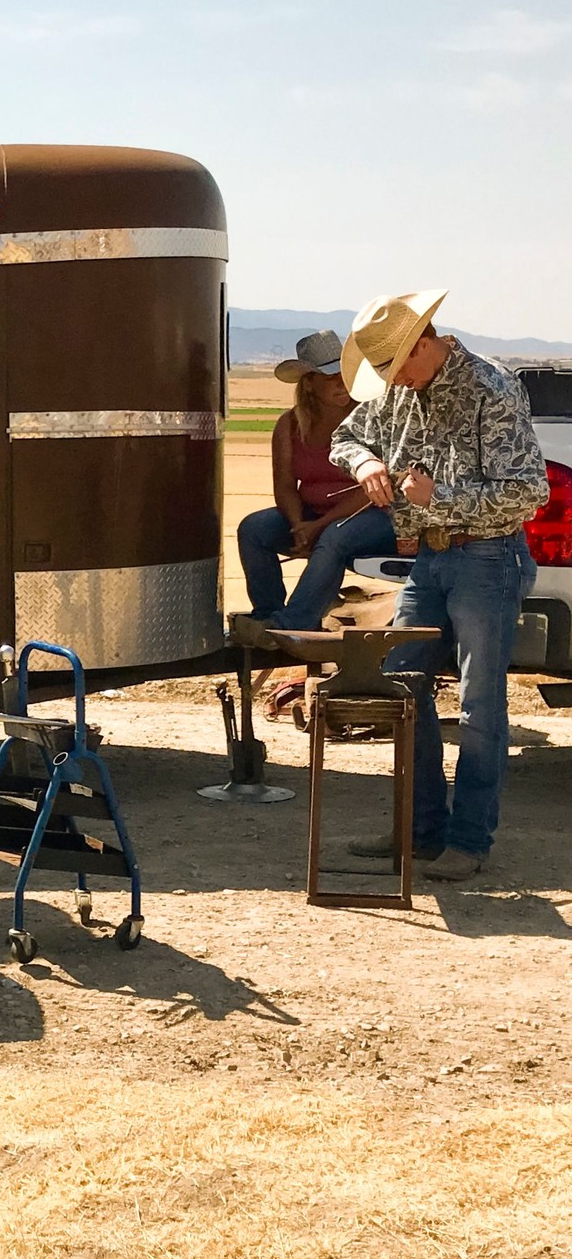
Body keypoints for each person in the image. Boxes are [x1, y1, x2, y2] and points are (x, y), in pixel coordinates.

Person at [329, 291, 549, 881]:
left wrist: (439, 498)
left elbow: (530, 490)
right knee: (403, 690)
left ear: (426, 341)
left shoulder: (491, 388)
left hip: (488, 557)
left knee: (479, 704)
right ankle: (419, 833)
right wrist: (366, 465)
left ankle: (468, 842)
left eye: (399, 364)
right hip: (429, 559)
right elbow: (345, 437)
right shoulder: (400, 390)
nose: (394, 379)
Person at [233, 329, 396, 644]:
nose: (340, 382)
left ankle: (295, 624)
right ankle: (267, 615)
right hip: (311, 515)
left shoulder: (370, 419)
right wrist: (298, 525)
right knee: (253, 529)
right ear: (309, 383)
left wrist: (318, 526)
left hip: (377, 514)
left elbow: (374, 489)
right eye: (330, 376)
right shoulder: (290, 425)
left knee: (334, 537)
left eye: (344, 374)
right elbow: (284, 484)